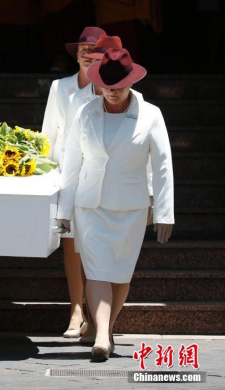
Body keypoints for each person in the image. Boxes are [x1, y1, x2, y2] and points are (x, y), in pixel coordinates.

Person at [57, 48, 174, 361]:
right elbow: (71, 162)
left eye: (118, 85)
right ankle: (103, 337)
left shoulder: (151, 114)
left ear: (130, 82)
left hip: (130, 208)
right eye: (106, 85)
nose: (111, 90)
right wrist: (63, 211)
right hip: (90, 205)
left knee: (121, 275)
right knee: (96, 271)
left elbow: (162, 166)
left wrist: (164, 212)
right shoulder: (86, 111)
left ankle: (102, 328)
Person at [41, 26, 105, 340]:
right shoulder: (59, 87)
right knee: (71, 248)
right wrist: (47, 175)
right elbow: (48, 135)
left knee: (94, 246)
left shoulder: (110, 88)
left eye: (93, 49)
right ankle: (75, 309)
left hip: (98, 177)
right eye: (82, 47)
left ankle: (96, 314)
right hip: (65, 178)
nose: (86, 52)